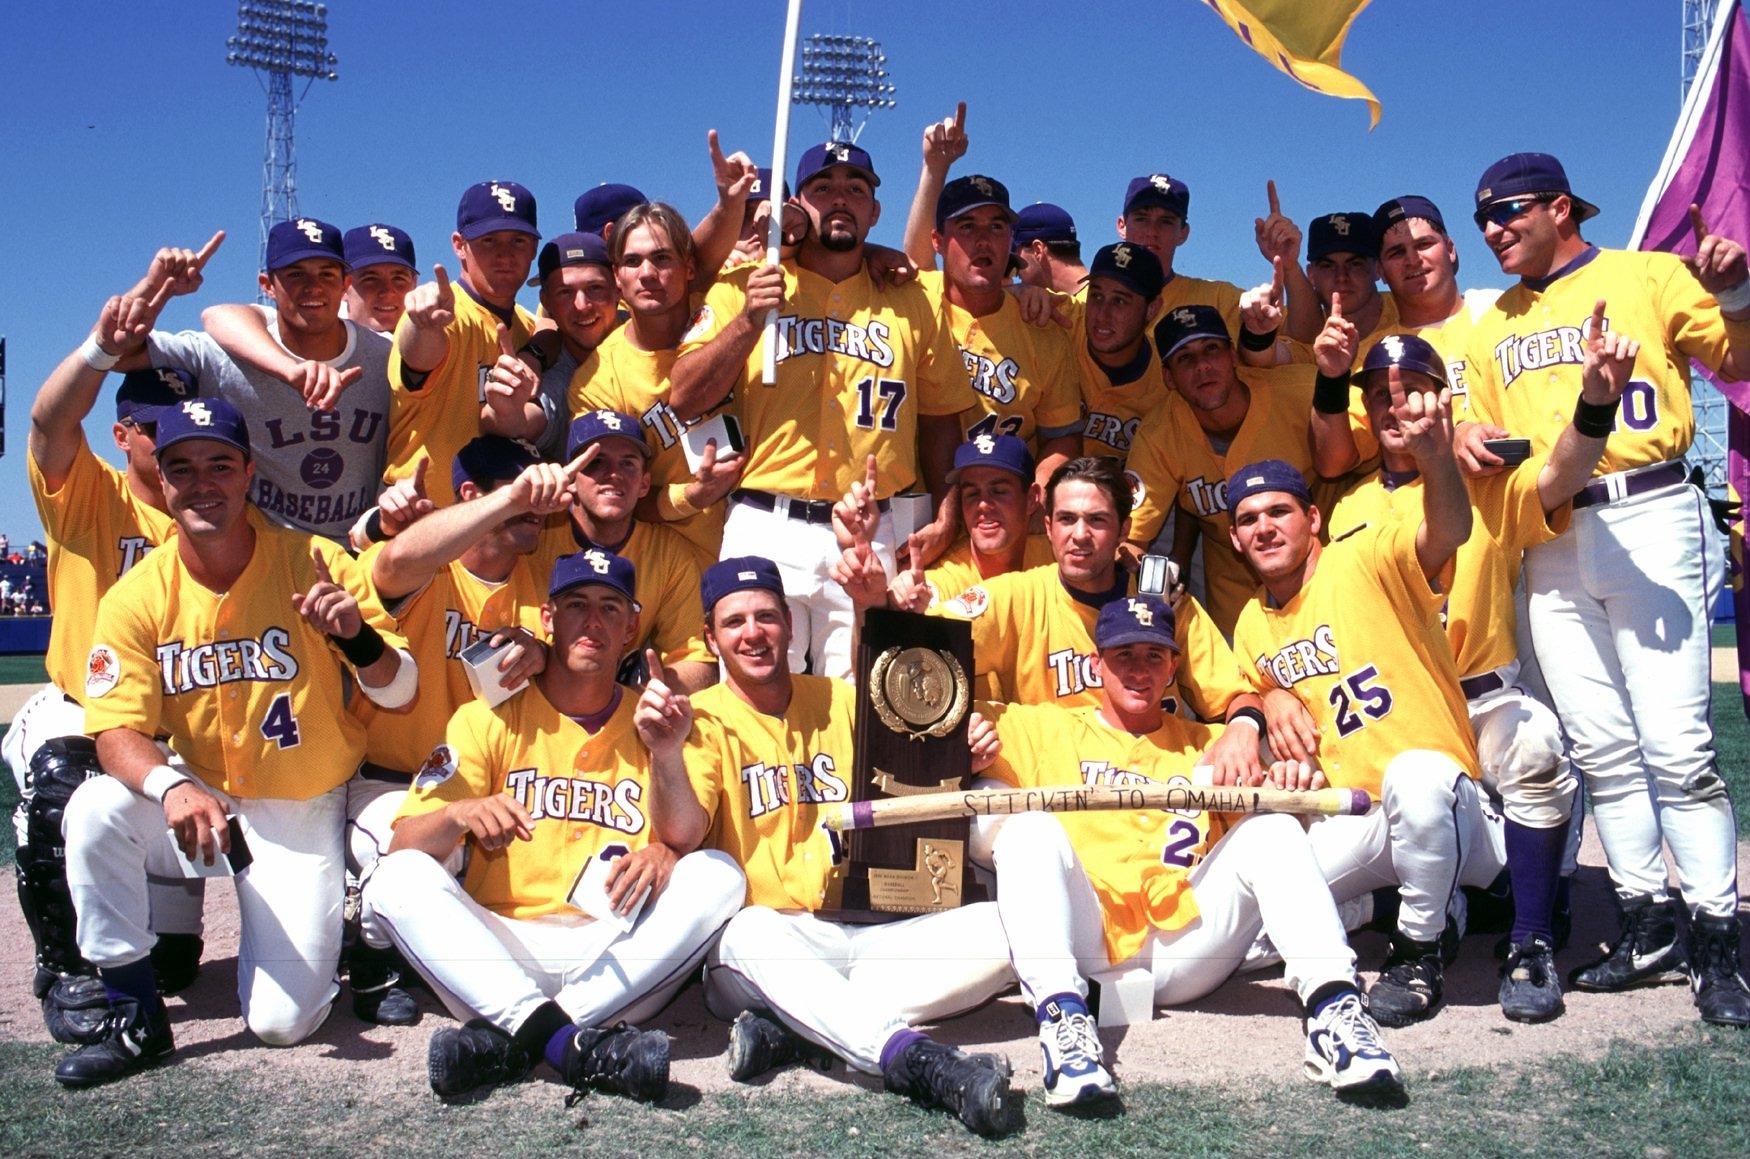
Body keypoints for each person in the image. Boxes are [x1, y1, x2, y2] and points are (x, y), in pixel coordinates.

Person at [1454, 152, 1750, 1026]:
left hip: (1649, 510)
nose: (1495, 229)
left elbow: (1741, 358)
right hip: (1547, 536)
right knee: (1602, 747)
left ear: (1560, 206)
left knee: (1678, 745)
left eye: (1509, 211)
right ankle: (1645, 921)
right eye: (1485, 220)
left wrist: (1734, 292)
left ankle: (1716, 936)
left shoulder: (1647, 274)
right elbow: (1481, 417)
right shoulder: (1490, 322)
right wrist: (1470, 432)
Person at [57, 397, 417, 1087]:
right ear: (162, 482)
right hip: (203, 804)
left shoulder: (311, 559)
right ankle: (133, 1012)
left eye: (219, 464)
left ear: (248, 472)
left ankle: (331, 918)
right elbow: (113, 729)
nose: (202, 483)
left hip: (298, 802)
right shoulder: (137, 594)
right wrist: (170, 783)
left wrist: (357, 637)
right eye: (182, 468)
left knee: (283, 1022)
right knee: (95, 807)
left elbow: (399, 690)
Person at [1324, 329, 1636, 1020]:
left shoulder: (1484, 476)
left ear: (1443, 398)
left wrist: (1594, 406)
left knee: (1535, 742)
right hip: (1397, 712)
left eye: (1410, 389)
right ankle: (1440, 916)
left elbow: (1559, 476)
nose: (1395, 403)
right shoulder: (1346, 505)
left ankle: (1529, 941)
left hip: (1480, 697)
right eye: (1379, 394)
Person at [983, 594, 1403, 1104]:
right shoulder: (1042, 727)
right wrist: (966, 733)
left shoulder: (1211, 743)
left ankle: (1336, 1011)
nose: (1139, 670)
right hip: (1087, 935)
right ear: (1096, 665)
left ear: (1173, 668)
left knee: (1271, 832)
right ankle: (1063, 1028)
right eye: (1123, 656)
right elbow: (944, 711)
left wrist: (1291, 788)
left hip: (1184, 944)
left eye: (1153, 656)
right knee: (1028, 830)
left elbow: (1269, 840)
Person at [361, 548, 745, 1104]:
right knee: (396, 879)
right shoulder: (487, 716)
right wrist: (455, 813)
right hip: (500, 946)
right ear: (547, 619)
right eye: (576, 605)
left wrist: (668, 829)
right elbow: (402, 843)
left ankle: (519, 1039)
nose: (593, 622)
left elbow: (687, 835)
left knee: (717, 873)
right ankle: (569, 1044)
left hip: (615, 953)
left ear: (632, 626)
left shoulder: (662, 719)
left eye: (611, 608)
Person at [671, 557, 1022, 1137]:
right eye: (734, 623)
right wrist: (665, 751)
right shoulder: (701, 721)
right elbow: (683, 833)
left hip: (869, 935)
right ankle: (916, 1061)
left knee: (1010, 930)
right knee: (746, 931)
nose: (752, 633)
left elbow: (915, 748)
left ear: (789, 623)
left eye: (766, 616)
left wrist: (966, 754)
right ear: (711, 638)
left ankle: (801, 1031)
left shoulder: (839, 700)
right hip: (773, 945)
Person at [1227, 378, 1506, 1030]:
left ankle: (1417, 949)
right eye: (1248, 519)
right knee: (1256, 938)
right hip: (1362, 820)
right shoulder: (1249, 620)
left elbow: (1447, 530)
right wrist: (1266, 697)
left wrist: (1436, 459)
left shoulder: (1364, 556)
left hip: (1449, 805)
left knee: (1416, 774)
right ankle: (1406, 906)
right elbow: (1241, 684)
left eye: (1279, 511)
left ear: (1312, 518)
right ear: (1235, 541)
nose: (1265, 527)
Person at [670, 140, 971, 678]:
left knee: (865, 699)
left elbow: (941, 421)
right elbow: (684, 395)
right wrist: (746, 321)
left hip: (868, 527)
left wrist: (947, 515)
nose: (840, 199)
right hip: (765, 519)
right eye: (823, 187)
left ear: (874, 211)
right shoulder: (748, 283)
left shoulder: (911, 298)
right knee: (755, 695)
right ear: (798, 206)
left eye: (856, 189)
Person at [12, 266, 207, 1044]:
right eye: (152, 425)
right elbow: (48, 421)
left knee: (175, 964)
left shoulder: (214, 511)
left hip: (169, 728)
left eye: (183, 422)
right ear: (123, 433)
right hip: (78, 701)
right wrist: (100, 348)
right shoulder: (93, 493)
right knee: (60, 784)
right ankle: (63, 967)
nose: (169, 438)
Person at [342, 436, 575, 1025]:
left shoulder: (540, 580)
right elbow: (392, 562)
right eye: (514, 489)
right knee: (425, 864)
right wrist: (508, 502)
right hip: (391, 786)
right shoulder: (431, 564)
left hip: (487, 786)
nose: (534, 502)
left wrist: (546, 656)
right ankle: (369, 947)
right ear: (472, 496)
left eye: (535, 492)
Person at [839, 456, 1261, 779]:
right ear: (1048, 524)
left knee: (1261, 754)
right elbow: (897, 666)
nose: (1079, 535)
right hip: (1056, 783)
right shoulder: (1016, 596)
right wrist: (872, 604)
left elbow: (1232, 695)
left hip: (1158, 776)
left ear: (1123, 528)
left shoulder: (1163, 600)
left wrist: (1243, 727)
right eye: (1066, 519)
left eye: (1097, 520)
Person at [148, 218, 391, 542]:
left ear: (346, 283)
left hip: (361, 552)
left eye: (327, 274)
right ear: (267, 284)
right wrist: (155, 289)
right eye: (295, 275)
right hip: (265, 558)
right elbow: (113, 347)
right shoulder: (228, 353)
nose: (313, 286)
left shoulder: (384, 355)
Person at [1122, 304, 1317, 633]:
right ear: (1168, 377)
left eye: (1211, 349)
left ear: (1233, 355)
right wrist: (1157, 592)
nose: (1202, 367)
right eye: (1185, 358)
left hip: (1318, 573)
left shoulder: (1300, 391)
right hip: (1236, 596)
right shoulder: (1159, 433)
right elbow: (1130, 541)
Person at [573, 203, 746, 570]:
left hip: (769, 531)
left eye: (662, 258)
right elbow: (611, 492)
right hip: (680, 563)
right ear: (617, 277)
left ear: (689, 268)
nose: (648, 273)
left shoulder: (728, 305)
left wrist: (876, 253)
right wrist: (691, 496)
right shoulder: (598, 379)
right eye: (633, 262)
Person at [387, 181, 543, 508]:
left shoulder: (528, 328)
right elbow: (419, 359)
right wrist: (423, 327)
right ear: (460, 245)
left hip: (490, 536)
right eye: (488, 240)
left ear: (533, 249)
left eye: (518, 240)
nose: (505, 254)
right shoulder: (442, 312)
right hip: (422, 521)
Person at [536, 411, 716, 692]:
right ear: (570, 477)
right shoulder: (535, 537)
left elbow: (697, 662)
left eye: (628, 464)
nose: (614, 475)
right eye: (596, 462)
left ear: (644, 484)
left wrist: (626, 704)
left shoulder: (666, 551)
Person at [1073, 243, 1170, 461]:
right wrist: (1022, 291)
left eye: (1120, 300)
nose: (1102, 315)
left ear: (1152, 309)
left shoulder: (1169, 378)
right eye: (1096, 296)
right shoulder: (1062, 322)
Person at [342, 224, 419, 335]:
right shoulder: (314, 344)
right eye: (371, 279)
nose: (387, 292)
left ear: (414, 284)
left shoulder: (440, 339)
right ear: (343, 286)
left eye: (398, 278)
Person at [1013, 203, 1086, 294]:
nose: (1013, 267)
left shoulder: (1095, 305)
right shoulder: (1099, 297)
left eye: (1015, 251)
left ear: (1038, 250)